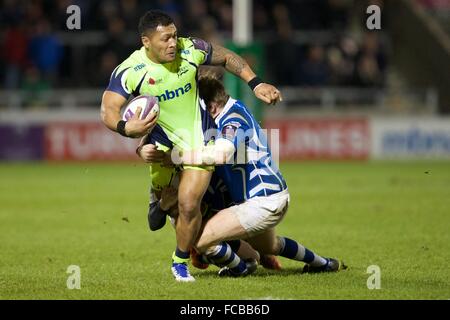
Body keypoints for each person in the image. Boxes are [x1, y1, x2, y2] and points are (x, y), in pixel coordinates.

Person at [100, 10, 282, 282]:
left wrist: (255, 83)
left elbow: (228, 56)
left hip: (198, 139)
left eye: (174, 36)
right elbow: (108, 109)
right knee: (164, 215)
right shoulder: (130, 71)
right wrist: (127, 129)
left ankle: (180, 262)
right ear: (146, 41)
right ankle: (161, 200)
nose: (173, 43)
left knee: (188, 204)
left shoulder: (191, 48)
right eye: (165, 39)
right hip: (161, 144)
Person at [167, 76, 347, 275]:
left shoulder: (232, 121)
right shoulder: (231, 109)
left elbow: (220, 155)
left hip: (261, 202)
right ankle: (323, 264)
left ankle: (242, 268)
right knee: (271, 246)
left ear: (211, 107)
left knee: (200, 241)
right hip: (269, 198)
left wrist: (176, 156)